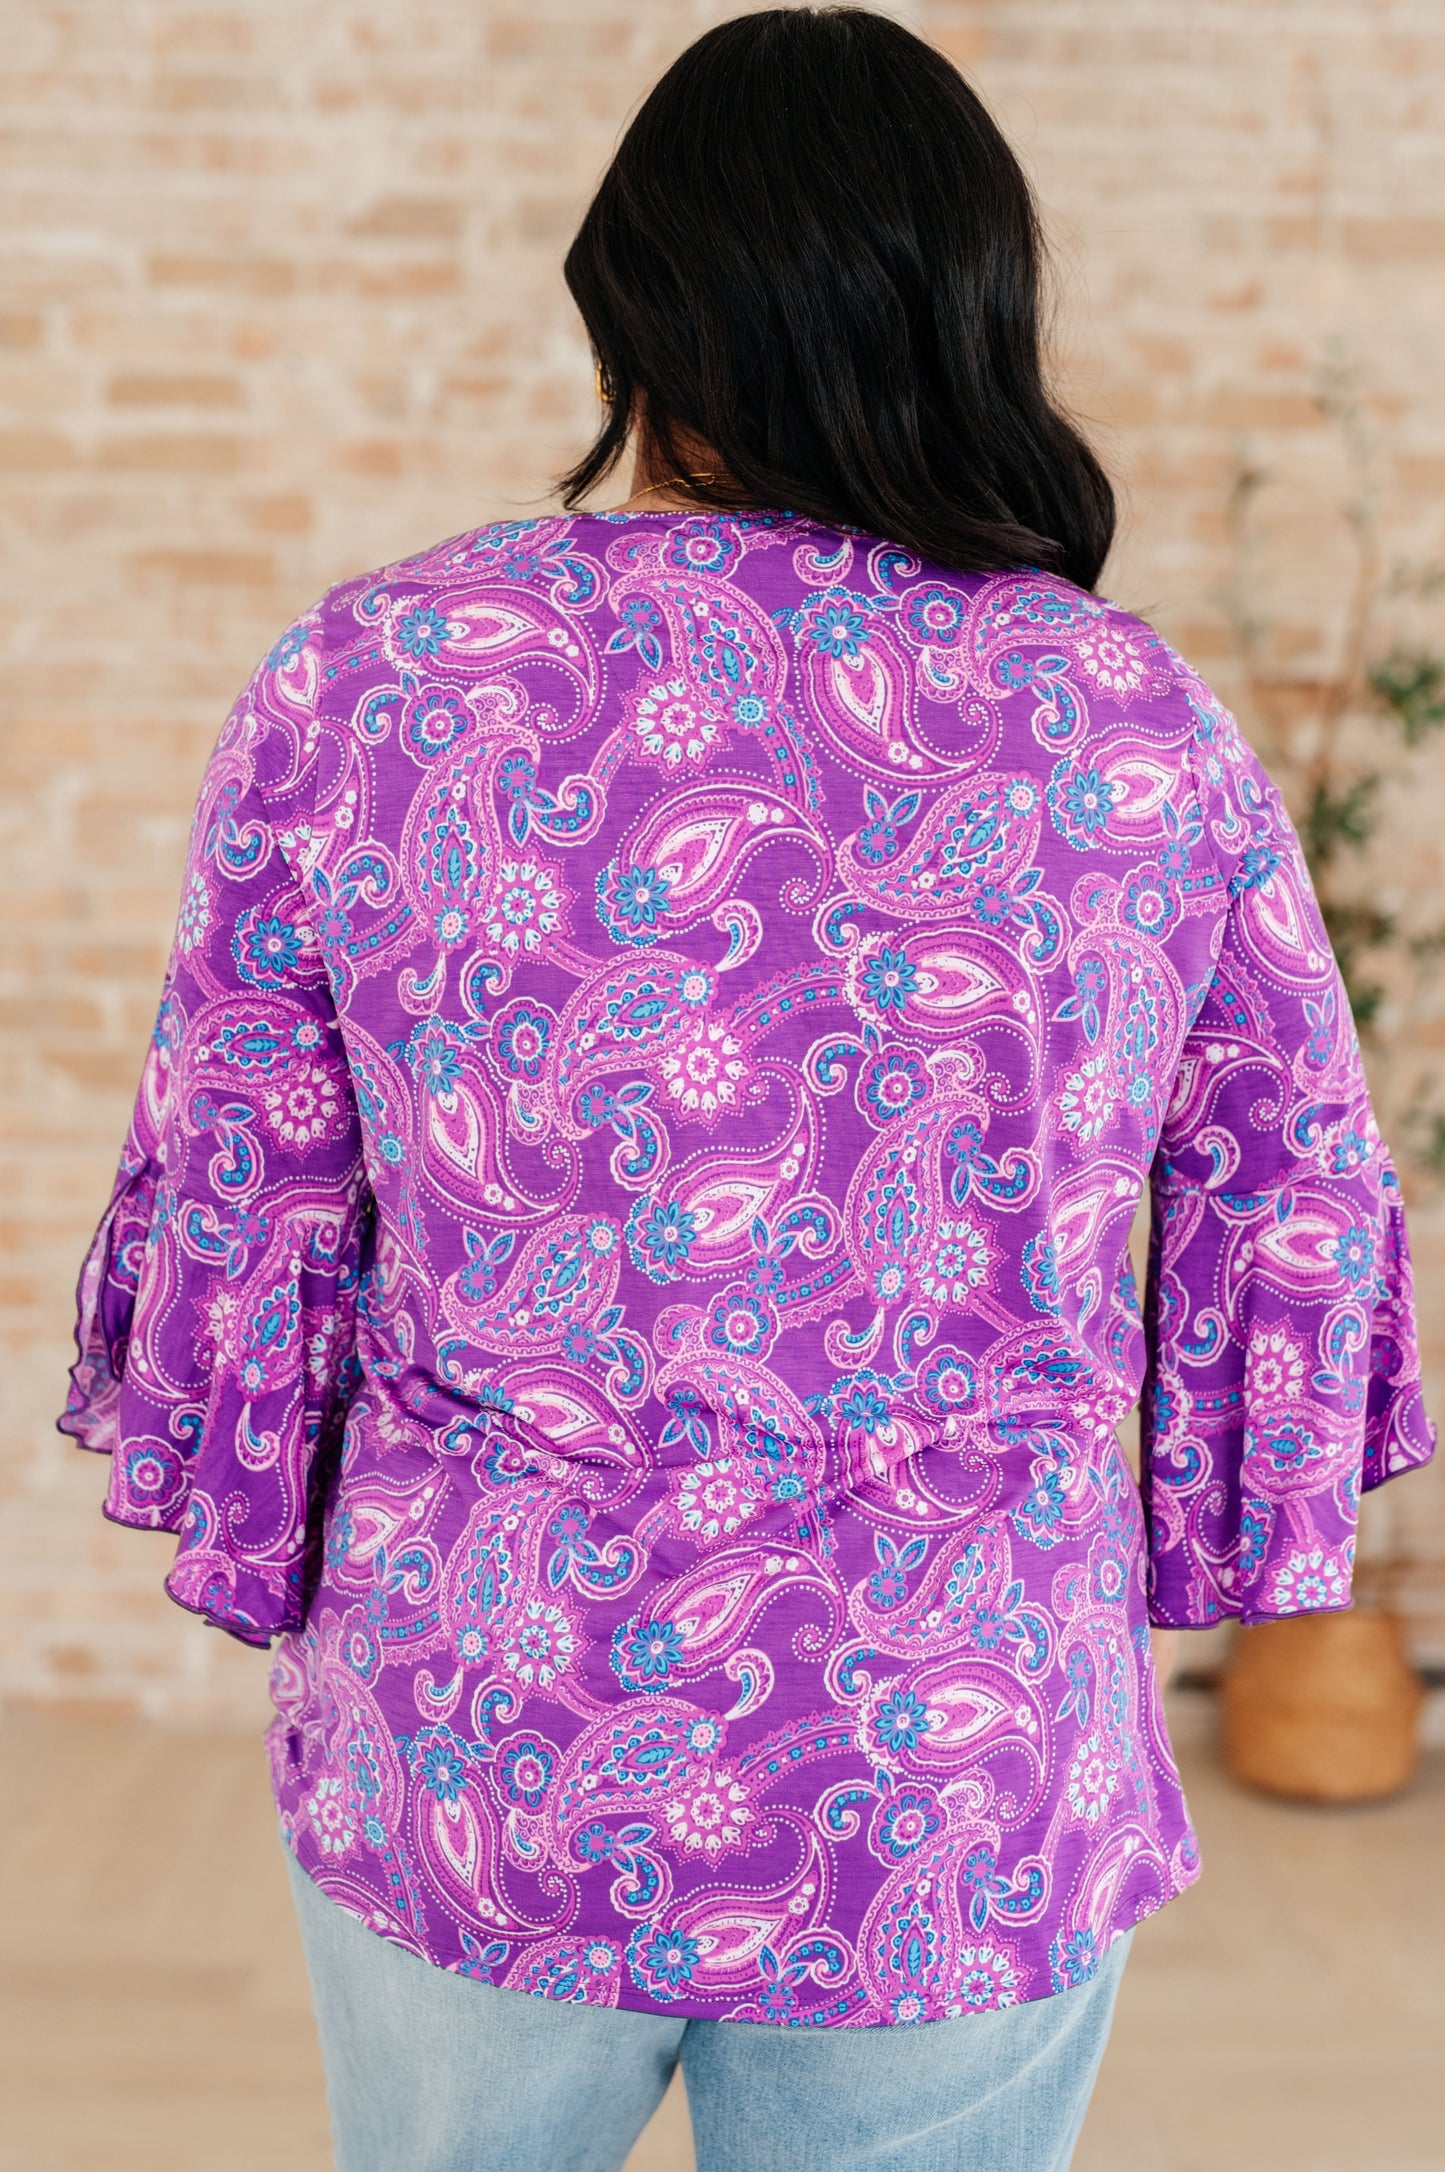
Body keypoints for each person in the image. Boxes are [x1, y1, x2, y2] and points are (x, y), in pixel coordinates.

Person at [59, 10, 1434, 2170]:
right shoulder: (1127, 723)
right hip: (953, 1756)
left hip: (489, 1716)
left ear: (627, 304)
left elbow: (253, 1178)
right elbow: (1294, 1193)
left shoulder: (382, 677)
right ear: (972, 311)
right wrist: (1218, 1542)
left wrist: (249, 1516)